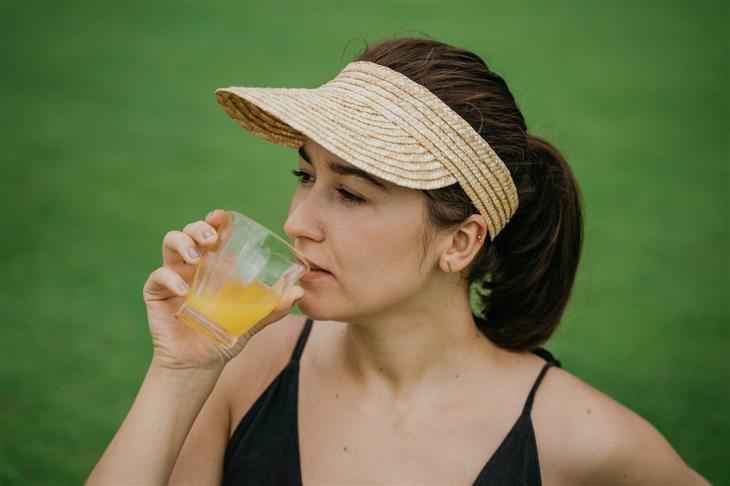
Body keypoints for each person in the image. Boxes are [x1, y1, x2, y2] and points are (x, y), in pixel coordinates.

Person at [86, 37, 708, 485]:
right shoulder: (248, 368)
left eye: (351, 194)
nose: (297, 222)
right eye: (305, 175)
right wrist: (180, 369)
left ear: (460, 242)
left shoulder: (583, 440)